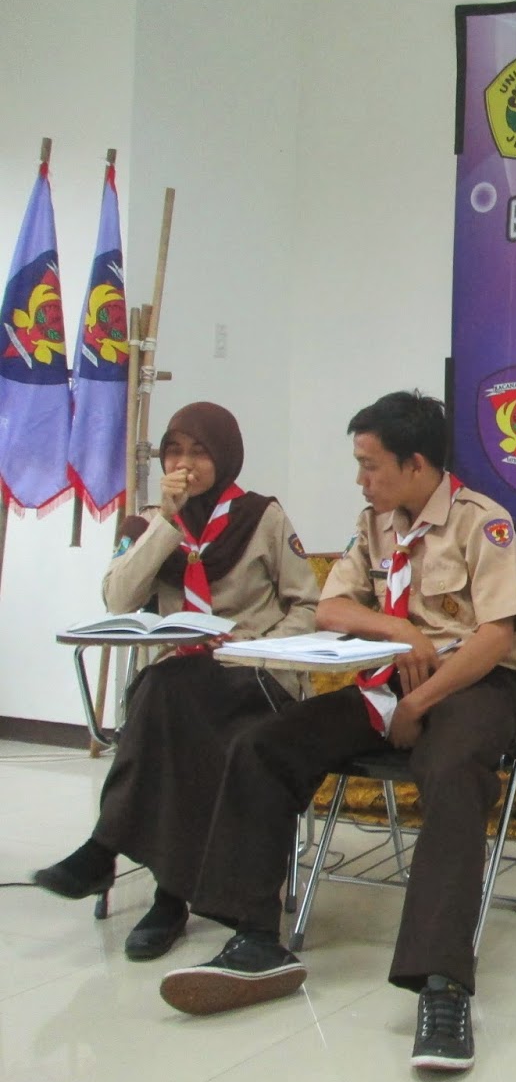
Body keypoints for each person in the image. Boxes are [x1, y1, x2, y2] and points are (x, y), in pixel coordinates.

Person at [156, 390, 516, 1074]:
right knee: (264, 745)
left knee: (451, 775)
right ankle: (255, 938)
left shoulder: (484, 521)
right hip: (391, 678)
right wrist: (397, 628)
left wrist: (422, 703)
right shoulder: (375, 524)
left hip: (470, 684)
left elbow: (496, 637)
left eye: (370, 465)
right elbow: (331, 607)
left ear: (416, 464)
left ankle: (442, 986)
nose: (360, 479)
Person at [33, 403, 318, 960]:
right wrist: (166, 520)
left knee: (162, 697)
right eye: (174, 452)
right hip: (183, 684)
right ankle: (168, 892)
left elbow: (306, 604)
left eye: (199, 452)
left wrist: (256, 650)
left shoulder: (262, 516)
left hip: (253, 678)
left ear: (226, 456)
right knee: (173, 700)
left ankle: (121, 862)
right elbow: (118, 599)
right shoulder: (147, 523)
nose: (185, 464)